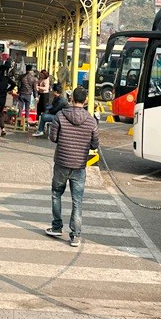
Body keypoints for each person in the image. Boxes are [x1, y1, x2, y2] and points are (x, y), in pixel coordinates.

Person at [46, 86, 99, 248]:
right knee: (77, 201)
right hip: (79, 165)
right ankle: (75, 236)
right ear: (85, 101)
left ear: (72, 99)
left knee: (56, 194)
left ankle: (56, 227)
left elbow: (53, 138)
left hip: (62, 162)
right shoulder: (91, 121)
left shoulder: (60, 116)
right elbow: (94, 144)